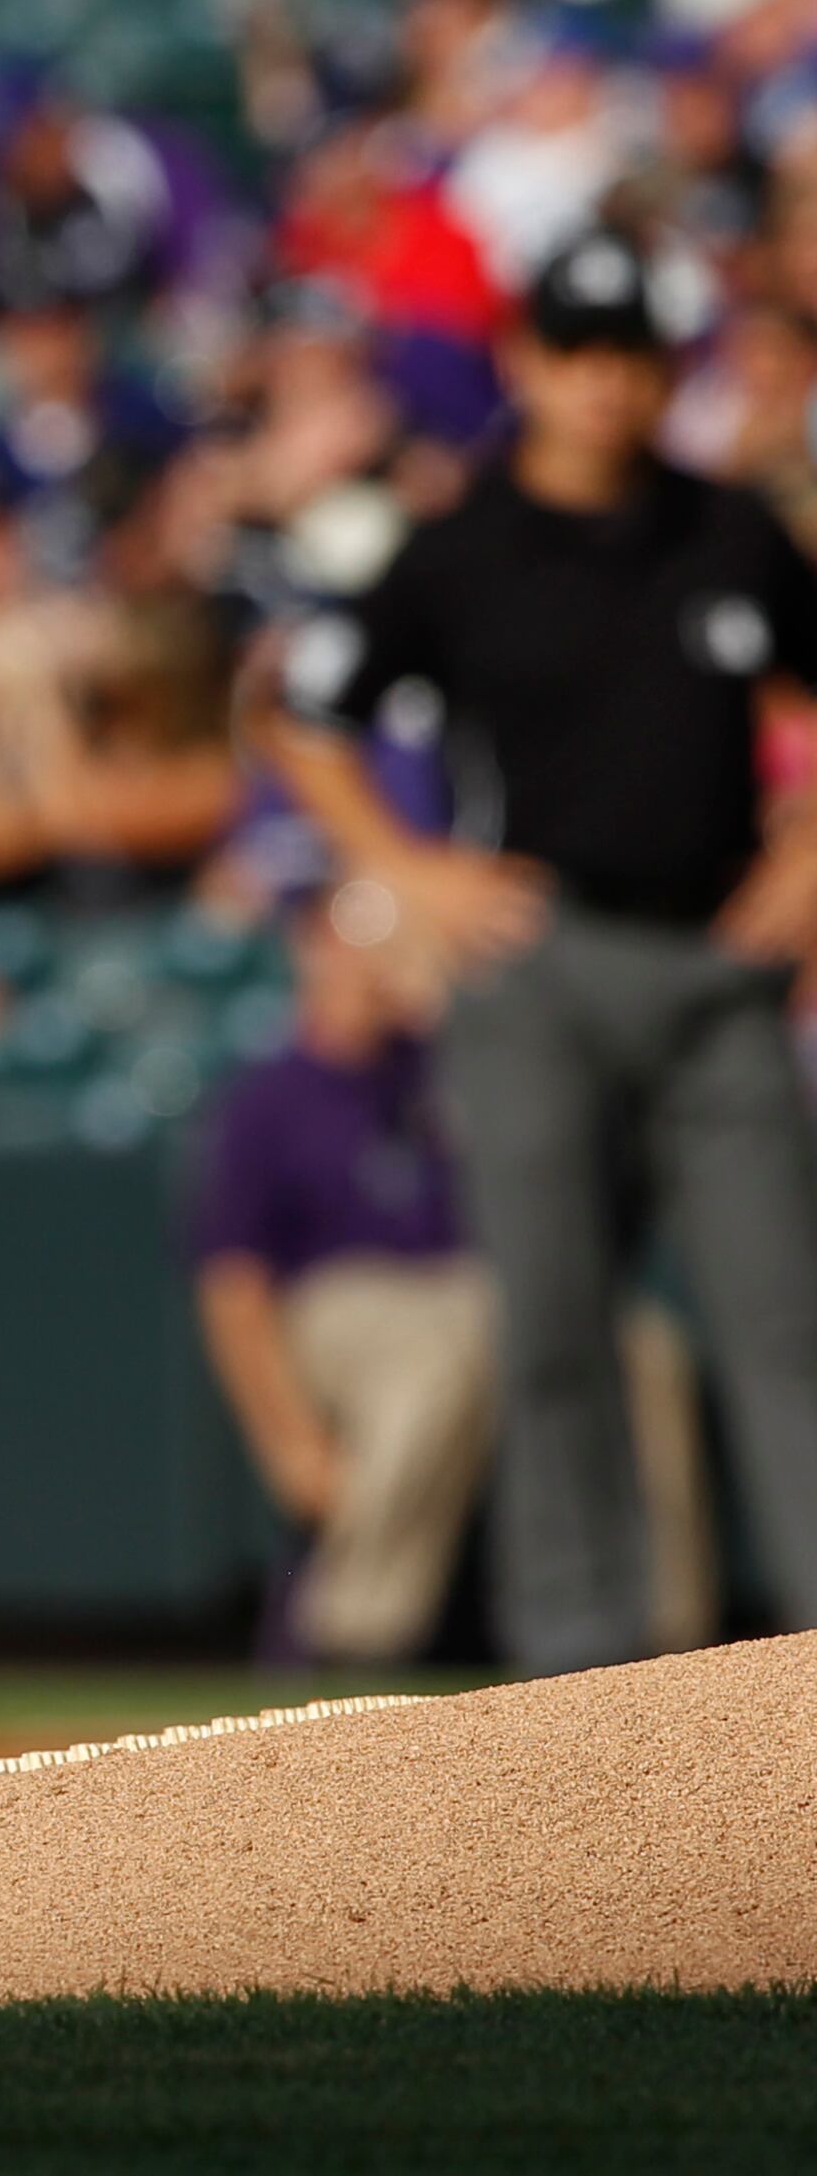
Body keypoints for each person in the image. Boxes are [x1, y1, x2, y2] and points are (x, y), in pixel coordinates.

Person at [274, 227, 817, 1673]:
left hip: (717, 972)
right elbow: (303, 706)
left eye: (628, 353)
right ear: (525, 362)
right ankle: (575, 1672)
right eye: (574, 352)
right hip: (541, 963)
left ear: (663, 368)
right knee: (554, 1328)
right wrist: (405, 869)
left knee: (784, 1325)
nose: (602, 384)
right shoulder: (462, 547)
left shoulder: (729, 529)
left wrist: (811, 853)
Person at [192, 887, 715, 1665]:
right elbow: (233, 1290)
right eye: (356, 933)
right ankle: (355, 1632)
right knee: (445, 1351)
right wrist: (289, 1441)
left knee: (643, 1348)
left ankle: (672, 1639)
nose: (374, 954)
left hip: (478, 1293)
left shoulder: (446, 1066)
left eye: (388, 933)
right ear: (311, 946)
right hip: (347, 1308)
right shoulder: (267, 1097)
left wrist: (452, 1012)